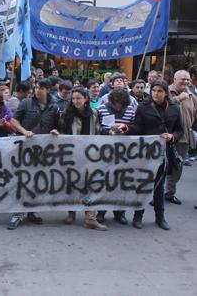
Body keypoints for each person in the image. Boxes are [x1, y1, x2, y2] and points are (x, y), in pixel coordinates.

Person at [128, 81, 182, 230]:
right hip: (146, 153)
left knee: (159, 187)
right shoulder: (143, 107)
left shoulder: (175, 109)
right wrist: (125, 128)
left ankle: (160, 217)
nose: (156, 94)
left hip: (164, 153)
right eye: (153, 90)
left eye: (159, 91)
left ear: (165, 93)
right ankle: (138, 216)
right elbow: (137, 128)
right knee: (143, 185)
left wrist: (172, 136)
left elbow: (180, 130)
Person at [8, 78, 58, 230]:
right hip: (25, 148)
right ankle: (17, 212)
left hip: (43, 150)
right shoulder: (26, 103)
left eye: (42, 88)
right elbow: (13, 121)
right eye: (36, 87)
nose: (38, 90)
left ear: (48, 90)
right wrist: (24, 131)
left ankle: (32, 210)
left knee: (37, 180)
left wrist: (55, 131)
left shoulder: (54, 107)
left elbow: (57, 126)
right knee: (22, 179)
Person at [58, 87, 108, 230]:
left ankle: (90, 218)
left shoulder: (94, 114)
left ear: (86, 98)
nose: (75, 101)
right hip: (71, 156)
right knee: (72, 185)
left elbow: (99, 131)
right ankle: (71, 213)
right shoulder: (66, 114)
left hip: (90, 156)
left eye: (79, 98)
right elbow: (61, 132)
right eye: (73, 99)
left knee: (91, 185)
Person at [96, 88, 136, 225]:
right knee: (104, 182)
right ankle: (101, 212)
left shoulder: (130, 110)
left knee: (121, 183)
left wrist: (125, 129)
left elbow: (134, 127)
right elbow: (97, 128)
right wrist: (108, 132)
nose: (118, 107)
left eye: (121, 105)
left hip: (124, 153)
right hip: (105, 152)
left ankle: (120, 212)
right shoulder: (102, 108)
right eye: (115, 104)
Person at [165, 70, 197, 205]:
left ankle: (169, 193)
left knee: (177, 167)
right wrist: (179, 99)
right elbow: (162, 106)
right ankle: (155, 193)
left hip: (183, 137)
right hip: (166, 136)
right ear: (174, 79)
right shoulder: (165, 91)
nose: (186, 82)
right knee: (162, 166)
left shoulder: (192, 96)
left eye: (188, 80)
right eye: (182, 79)